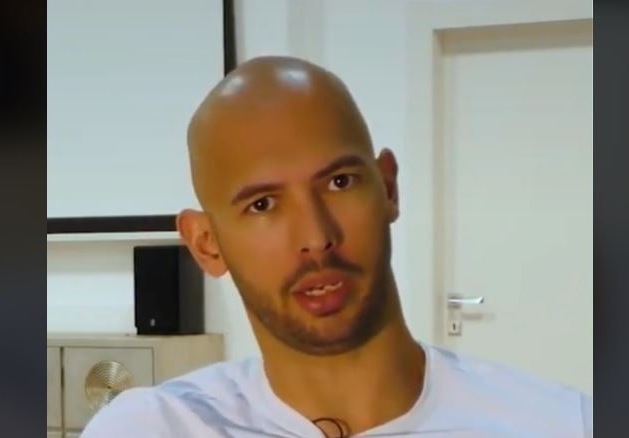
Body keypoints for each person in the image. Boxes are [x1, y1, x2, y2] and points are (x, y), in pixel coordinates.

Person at [80, 56, 592, 438]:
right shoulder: (155, 428)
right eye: (262, 205)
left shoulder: (561, 423)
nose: (316, 239)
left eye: (340, 183)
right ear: (206, 244)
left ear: (388, 187)